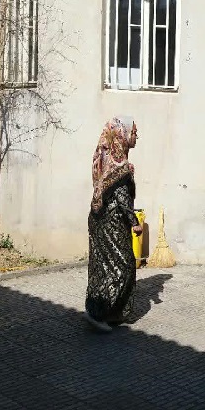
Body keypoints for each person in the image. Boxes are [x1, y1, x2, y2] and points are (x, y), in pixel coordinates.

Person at [84, 116, 141, 333]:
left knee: (102, 266)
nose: (136, 136)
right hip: (112, 223)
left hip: (98, 219)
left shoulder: (107, 161)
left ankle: (107, 312)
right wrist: (134, 222)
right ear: (122, 135)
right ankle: (100, 313)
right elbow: (122, 198)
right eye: (133, 132)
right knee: (124, 266)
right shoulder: (120, 167)